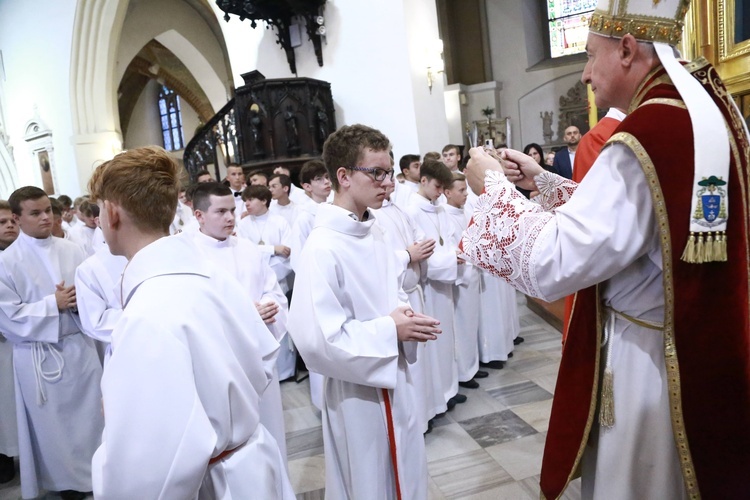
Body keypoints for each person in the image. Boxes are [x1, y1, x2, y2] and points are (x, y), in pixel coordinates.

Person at [461, 1, 750, 497]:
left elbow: (554, 261)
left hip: (650, 363)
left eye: (591, 57)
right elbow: (649, 225)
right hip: (698, 345)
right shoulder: (706, 112)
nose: (586, 76)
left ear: (628, 49)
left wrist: (491, 186)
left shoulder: (645, 134)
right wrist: (544, 182)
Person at [88, 146, 293, 498]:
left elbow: (148, 468)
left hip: (212, 485)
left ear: (111, 212)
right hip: (251, 469)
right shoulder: (212, 276)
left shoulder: (146, 313)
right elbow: (261, 361)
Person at [288, 124, 440, 499]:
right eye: (376, 172)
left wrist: (406, 318)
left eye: (388, 172)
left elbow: (388, 295)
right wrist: (391, 331)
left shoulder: (374, 232)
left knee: (405, 471)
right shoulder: (322, 247)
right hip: (357, 393)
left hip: (395, 378)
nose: (387, 182)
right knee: (370, 483)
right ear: (343, 176)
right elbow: (317, 339)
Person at [0, 186, 103, 500]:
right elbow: (7, 317)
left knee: (92, 422)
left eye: (48, 210)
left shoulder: (71, 249)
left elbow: (95, 291)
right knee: (55, 431)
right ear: (17, 218)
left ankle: (99, 477)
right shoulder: (7, 261)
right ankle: (68, 486)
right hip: (39, 356)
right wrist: (52, 304)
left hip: (80, 348)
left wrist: (79, 302)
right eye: (35, 213)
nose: (46, 217)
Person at [182, 181, 290, 469]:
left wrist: (269, 307)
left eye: (232, 210)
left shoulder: (249, 249)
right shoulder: (189, 258)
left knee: (270, 429)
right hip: (222, 362)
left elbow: (273, 291)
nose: (230, 218)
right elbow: (193, 312)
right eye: (220, 212)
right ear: (199, 215)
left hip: (260, 354)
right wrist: (247, 315)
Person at [405, 159, 465, 414]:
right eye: (437, 187)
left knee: (447, 337)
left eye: (443, 188)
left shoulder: (439, 208)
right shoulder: (411, 210)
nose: (440, 193)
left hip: (446, 282)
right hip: (429, 286)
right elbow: (422, 253)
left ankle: (450, 389)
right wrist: (451, 259)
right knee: (435, 342)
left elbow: (449, 239)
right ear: (424, 181)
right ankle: (438, 395)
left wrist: (457, 254)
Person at [442, 172, 485, 389]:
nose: (466, 194)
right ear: (447, 193)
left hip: (471, 272)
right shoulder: (446, 215)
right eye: (461, 190)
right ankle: (464, 372)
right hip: (460, 277)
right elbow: (451, 246)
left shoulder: (462, 211)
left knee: (472, 323)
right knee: (462, 326)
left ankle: (473, 365)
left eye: (466, 189)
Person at [0, 200, 18, 484]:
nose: (10, 225)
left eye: (11, 220)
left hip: (24, 344)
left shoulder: (24, 254)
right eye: (2, 223)